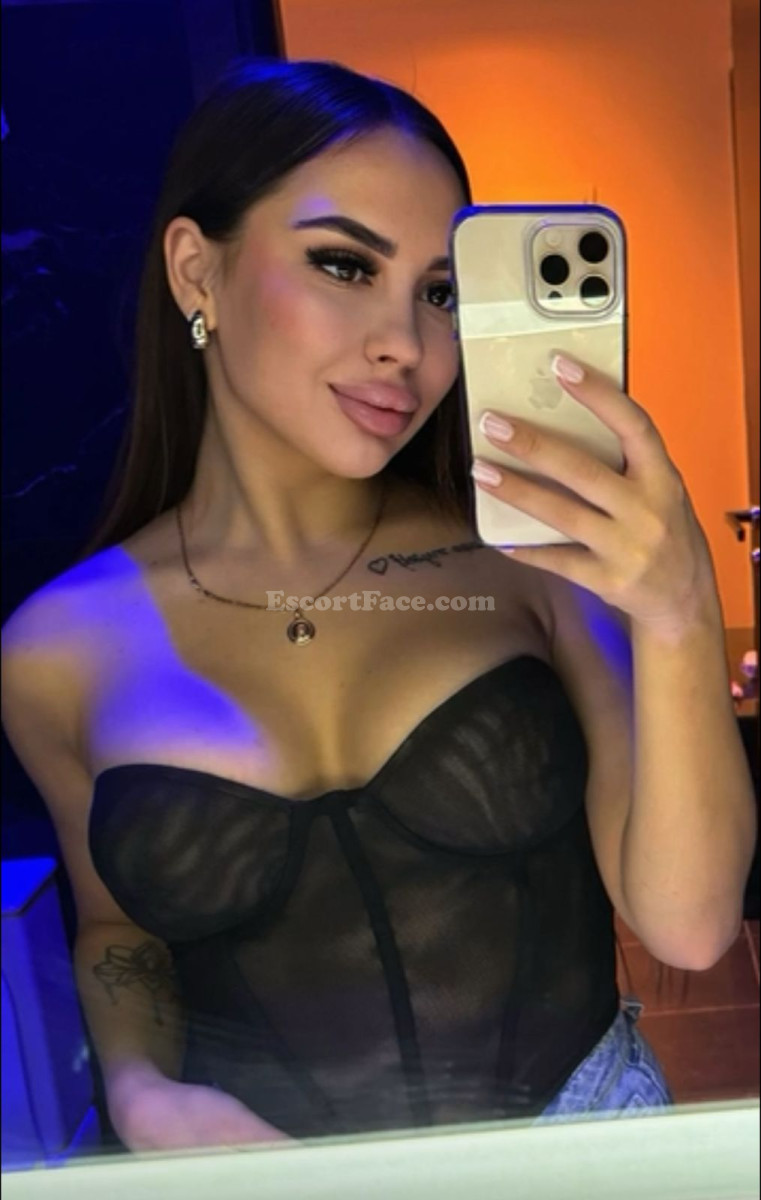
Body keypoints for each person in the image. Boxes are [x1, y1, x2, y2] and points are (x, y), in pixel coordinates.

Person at [1, 57, 756, 1153]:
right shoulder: (55, 651)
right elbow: (121, 929)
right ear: (196, 271)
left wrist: (680, 606)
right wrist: (142, 1089)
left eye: (440, 292)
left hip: (581, 1151)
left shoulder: (534, 562)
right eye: (344, 264)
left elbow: (687, 928)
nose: (406, 342)